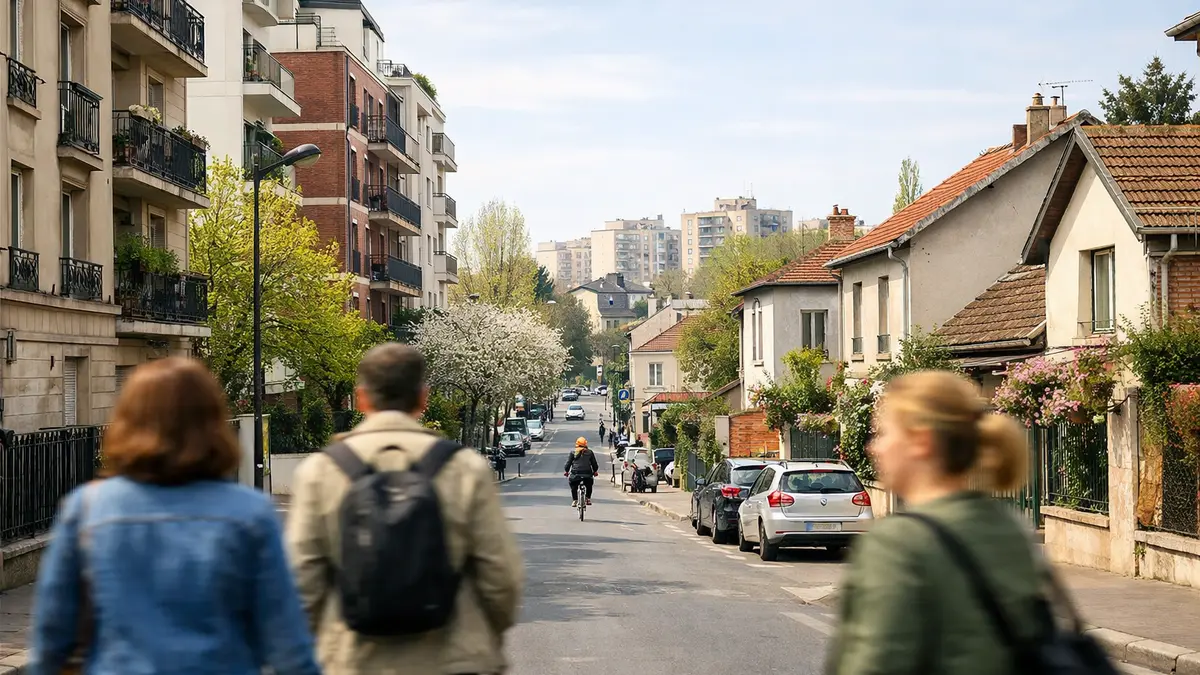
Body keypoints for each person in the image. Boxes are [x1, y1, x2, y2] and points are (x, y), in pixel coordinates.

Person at [29, 358, 320, 675]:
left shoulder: (87, 509)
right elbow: (288, 646)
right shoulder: (251, 514)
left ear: (127, 422)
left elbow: (51, 637)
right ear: (213, 423)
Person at [287, 344, 523, 675]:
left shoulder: (320, 472)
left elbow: (301, 584)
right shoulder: (465, 469)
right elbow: (501, 578)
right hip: (452, 662)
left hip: (354, 663)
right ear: (422, 398)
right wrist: (483, 640)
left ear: (362, 398)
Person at [826, 370, 1046, 675]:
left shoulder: (896, 544)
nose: (873, 447)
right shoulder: (1010, 526)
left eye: (883, 433)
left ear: (921, 441)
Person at [563, 437, 599, 507]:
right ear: (585, 444)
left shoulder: (573, 452)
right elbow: (594, 464)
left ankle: (575, 500)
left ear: (577, 444)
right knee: (589, 485)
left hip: (575, 475)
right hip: (587, 475)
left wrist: (566, 471)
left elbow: (568, 464)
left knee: (573, 485)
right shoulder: (590, 452)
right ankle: (588, 498)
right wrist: (595, 471)